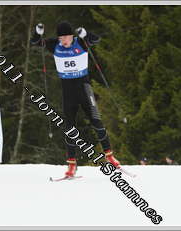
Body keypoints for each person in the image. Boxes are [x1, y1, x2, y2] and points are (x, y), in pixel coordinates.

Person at [30, 21, 121, 177]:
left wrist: (85, 33)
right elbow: (35, 42)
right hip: (68, 91)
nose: (64, 41)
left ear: (72, 36)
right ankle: (72, 164)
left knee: (96, 121)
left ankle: (110, 156)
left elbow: (96, 39)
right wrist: (38, 33)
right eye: (61, 38)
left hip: (84, 88)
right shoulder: (54, 45)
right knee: (70, 128)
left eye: (66, 37)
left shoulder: (80, 42)